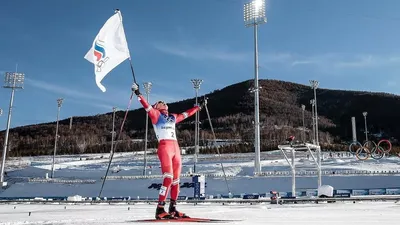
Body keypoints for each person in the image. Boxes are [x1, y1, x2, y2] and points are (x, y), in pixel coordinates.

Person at [131, 83, 207, 220]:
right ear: (157, 107)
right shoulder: (155, 115)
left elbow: (186, 114)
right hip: (165, 147)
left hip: (175, 148)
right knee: (168, 178)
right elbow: (146, 106)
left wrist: (198, 107)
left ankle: (173, 208)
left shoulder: (172, 117)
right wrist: (138, 93)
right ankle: (160, 208)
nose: (163, 102)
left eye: (164, 101)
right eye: (159, 102)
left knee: (176, 181)